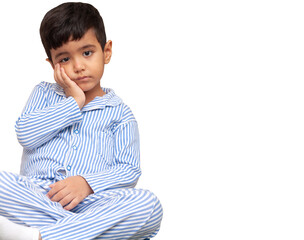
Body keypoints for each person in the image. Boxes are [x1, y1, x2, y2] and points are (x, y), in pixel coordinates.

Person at [0, 2, 163, 240]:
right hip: (36, 197)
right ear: (51, 63)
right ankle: (78, 232)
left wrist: (87, 183)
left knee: (149, 204)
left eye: (87, 53)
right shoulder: (44, 93)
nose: (78, 66)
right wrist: (73, 102)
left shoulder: (121, 114)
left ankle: (39, 237)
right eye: (64, 59)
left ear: (106, 51)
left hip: (92, 203)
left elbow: (128, 170)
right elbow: (26, 134)